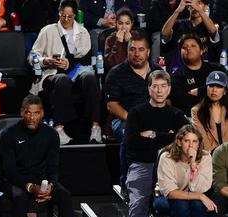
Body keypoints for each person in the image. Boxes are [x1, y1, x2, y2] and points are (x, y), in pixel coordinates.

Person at [0, 95, 77, 217]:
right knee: (19, 197)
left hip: (42, 181)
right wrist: (30, 187)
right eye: (28, 112)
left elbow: (53, 167)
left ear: (42, 114)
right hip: (16, 180)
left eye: (35, 113)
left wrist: (49, 187)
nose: (32, 117)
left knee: (64, 195)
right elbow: (9, 171)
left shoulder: (51, 135)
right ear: (22, 112)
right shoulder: (8, 134)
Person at [125, 70, 188, 217]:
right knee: (138, 203)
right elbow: (132, 143)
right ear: (149, 89)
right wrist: (167, 136)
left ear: (169, 89)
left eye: (163, 86)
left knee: (181, 201)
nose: (159, 91)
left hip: (172, 166)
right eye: (155, 86)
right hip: (143, 165)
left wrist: (152, 134)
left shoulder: (177, 115)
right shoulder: (136, 113)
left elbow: (183, 143)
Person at [28, 0, 102, 145]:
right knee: (62, 79)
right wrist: (45, 60)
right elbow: (32, 56)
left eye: (70, 16)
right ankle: (58, 127)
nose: (66, 19)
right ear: (59, 13)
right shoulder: (48, 30)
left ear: (75, 15)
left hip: (76, 73)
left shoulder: (83, 32)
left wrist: (68, 63)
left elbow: (85, 59)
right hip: (52, 74)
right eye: (63, 16)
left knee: (90, 78)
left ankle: (95, 127)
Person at [105, 31, 162, 190]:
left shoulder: (158, 72)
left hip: (155, 118)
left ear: (148, 52)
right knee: (130, 133)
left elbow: (167, 100)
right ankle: (127, 184)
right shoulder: (116, 73)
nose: (137, 54)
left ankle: (163, 183)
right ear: (127, 51)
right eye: (132, 49)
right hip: (124, 119)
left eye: (141, 49)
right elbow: (112, 105)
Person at [155, 124, 214, 217]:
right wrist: (200, 196)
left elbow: (200, 188)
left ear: (199, 143)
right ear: (180, 142)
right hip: (165, 198)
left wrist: (193, 164)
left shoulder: (205, 157)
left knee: (198, 205)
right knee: (181, 205)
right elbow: (171, 192)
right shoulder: (167, 157)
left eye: (194, 141)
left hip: (193, 198)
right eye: (187, 141)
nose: (191, 145)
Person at [169, 33, 227, 116]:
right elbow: (184, 105)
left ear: (201, 51)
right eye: (184, 47)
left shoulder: (217, 68)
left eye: (193, 46)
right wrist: (215, 94)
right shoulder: (176, 77)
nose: (188, 48)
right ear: (180, 53)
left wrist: (200, 91)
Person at [160, 0, 220, 73]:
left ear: (206, 7)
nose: (195, 6)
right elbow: (164, 35)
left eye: (199, 3)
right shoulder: (178, 24)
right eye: (192, 3)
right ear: (188, 7)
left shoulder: (209, 25)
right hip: (180, 71)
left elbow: (213, 32)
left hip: (204, 71)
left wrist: (200, 10)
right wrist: (177, 11)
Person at [192, 71, 228, 153]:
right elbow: (203, 140)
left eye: (219, 86)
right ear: (206, 88)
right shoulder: (196, 111)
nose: (214, 90)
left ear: (225, 91)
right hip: (210, 155)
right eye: (211, 86)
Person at [103, 7, 135, 72]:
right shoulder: (110, 39)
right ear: (116, 24)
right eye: (120, 23)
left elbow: (138, 61)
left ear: (131, 24)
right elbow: (110, 64)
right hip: (115, 73)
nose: (124, 27)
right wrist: (118, 42)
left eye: (127, 23)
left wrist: (129, 42)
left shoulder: (136, 37)